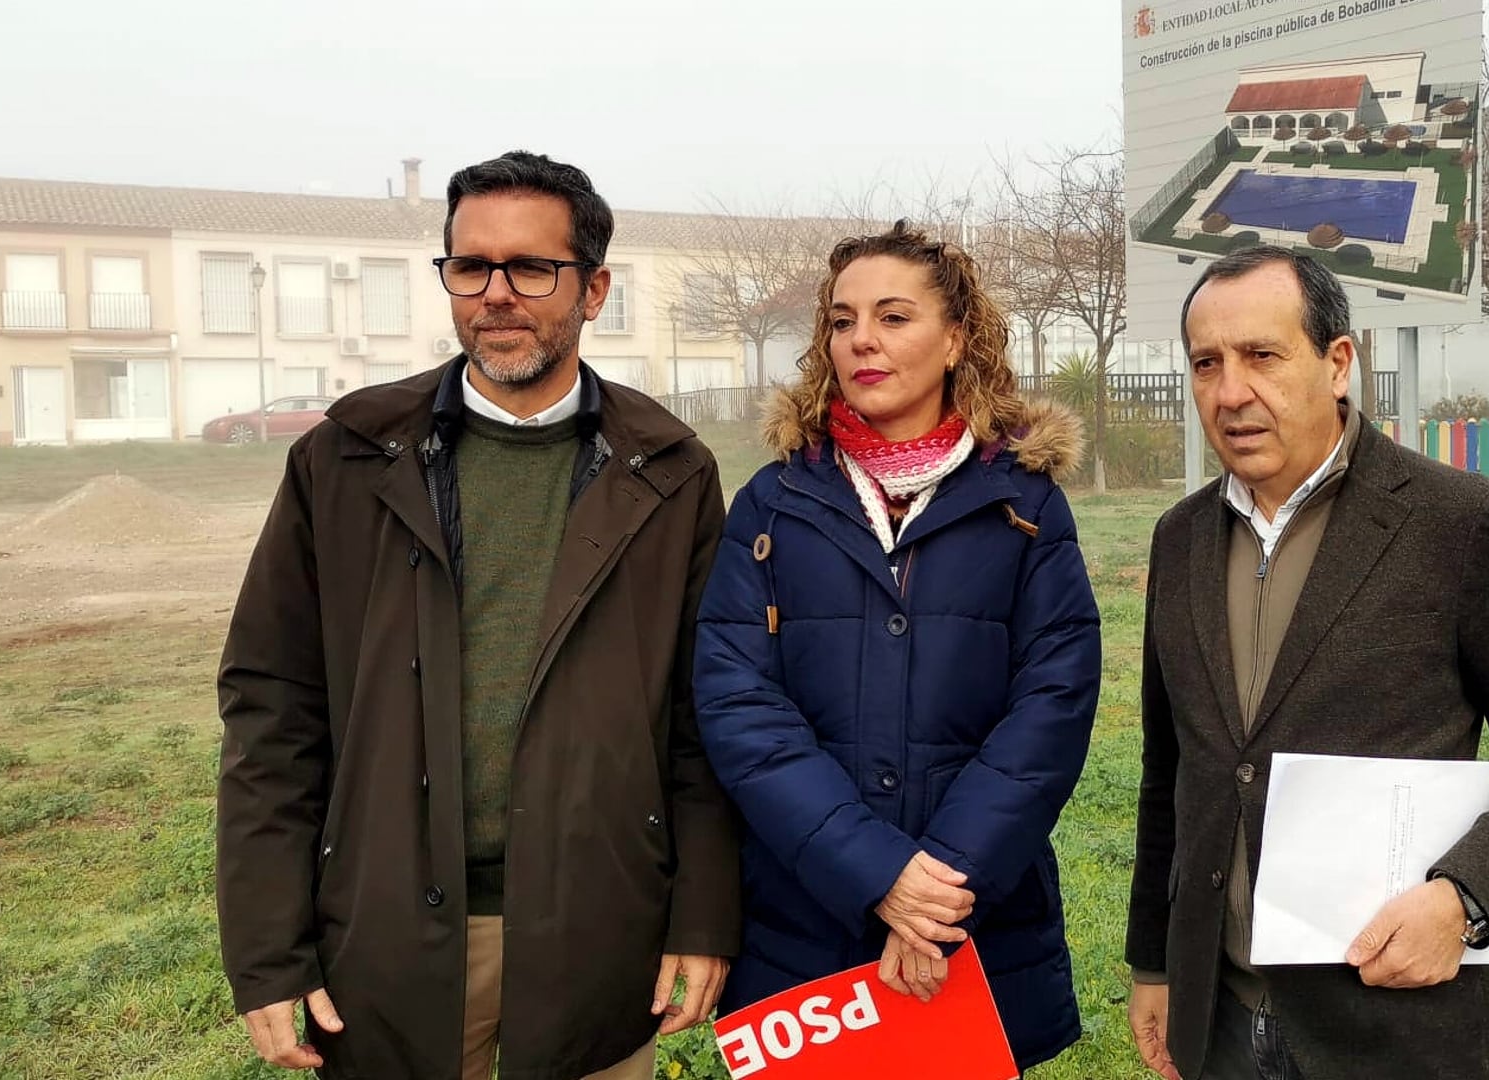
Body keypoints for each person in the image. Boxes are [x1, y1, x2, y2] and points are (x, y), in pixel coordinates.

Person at [216, 150, 740, 1080]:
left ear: (595, 289)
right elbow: (273, 710)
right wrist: (267, 950)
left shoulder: (671, 470)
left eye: (532, 267)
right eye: (470, 267)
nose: (496, 293)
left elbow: (703, 723)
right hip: (384, 940)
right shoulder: (342, 461)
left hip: (597, 936)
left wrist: (701, 914)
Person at [1124, 246, 1489, 1080]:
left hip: (1399, 1027)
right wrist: (1156, 963)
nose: (1230, 391)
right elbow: (1170, 769)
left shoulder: (1455, 524)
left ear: (1339, 362)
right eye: (1207, 363)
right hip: (1221, 1019)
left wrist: (1465, 899)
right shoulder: (1179, 538)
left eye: (1262, 356)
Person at [692, 222, 1101, 1070]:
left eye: (891, 316)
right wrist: (876, 874)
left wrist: (937, 895)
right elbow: (740, 710)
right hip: (805, 932)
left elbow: (1052, 709)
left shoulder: (1024, 508)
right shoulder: (771, 507)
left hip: (973, 925)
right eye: (841, 322)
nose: (861, 341)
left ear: (955, 339)